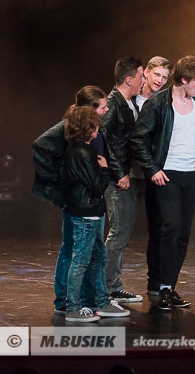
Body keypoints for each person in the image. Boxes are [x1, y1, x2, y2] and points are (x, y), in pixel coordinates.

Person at [132, 55, 195, 310]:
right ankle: (161, 287)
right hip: (166, 174)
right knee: (169, 228)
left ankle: (167, 285)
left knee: (182, 233)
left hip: (190, 174)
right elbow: (138, 138)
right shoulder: (158, 103)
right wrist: (152, 169)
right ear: (184, 79)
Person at [32, 85, 109, 315]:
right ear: (90, 109)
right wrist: (59, 180)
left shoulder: (91, 128)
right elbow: (40, 145)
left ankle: (89, 300)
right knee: (73, 250)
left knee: (90, 252)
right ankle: (66, 301)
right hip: (78, 200)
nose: (106, 110)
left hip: (90, 199)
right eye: (103, 107)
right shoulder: (68, 126)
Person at [63, 106, 130, 321]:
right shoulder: (83, 153)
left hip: (90, 212)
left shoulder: (79, 150)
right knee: (81, 261)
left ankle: (102, 303)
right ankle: (73, 308)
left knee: (98, 259)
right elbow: (97, 186)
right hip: (86, 214)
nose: (98, 130)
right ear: (88, 128)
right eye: (95, 126)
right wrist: (104, 168)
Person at [102, 57, 145, 303]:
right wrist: (119, 172)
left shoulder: (129, 103)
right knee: (118, 234)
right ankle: (104, 290)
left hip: (128, 176)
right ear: (130, 79)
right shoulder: (113, 103)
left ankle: (113, 286)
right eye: (141, 76)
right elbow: (103, 140)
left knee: (123, 234)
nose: (143, 80)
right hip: (116, 179)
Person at [134, 56, 173, 298]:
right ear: (146, 72)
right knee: (120, 233)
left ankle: (155, 283)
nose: (159, 80)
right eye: (157, 74)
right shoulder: (130, 99)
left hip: (156, 172)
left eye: (164, 77)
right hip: (131, 172)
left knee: (158, 229)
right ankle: (108, 288)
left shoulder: (166, 101)